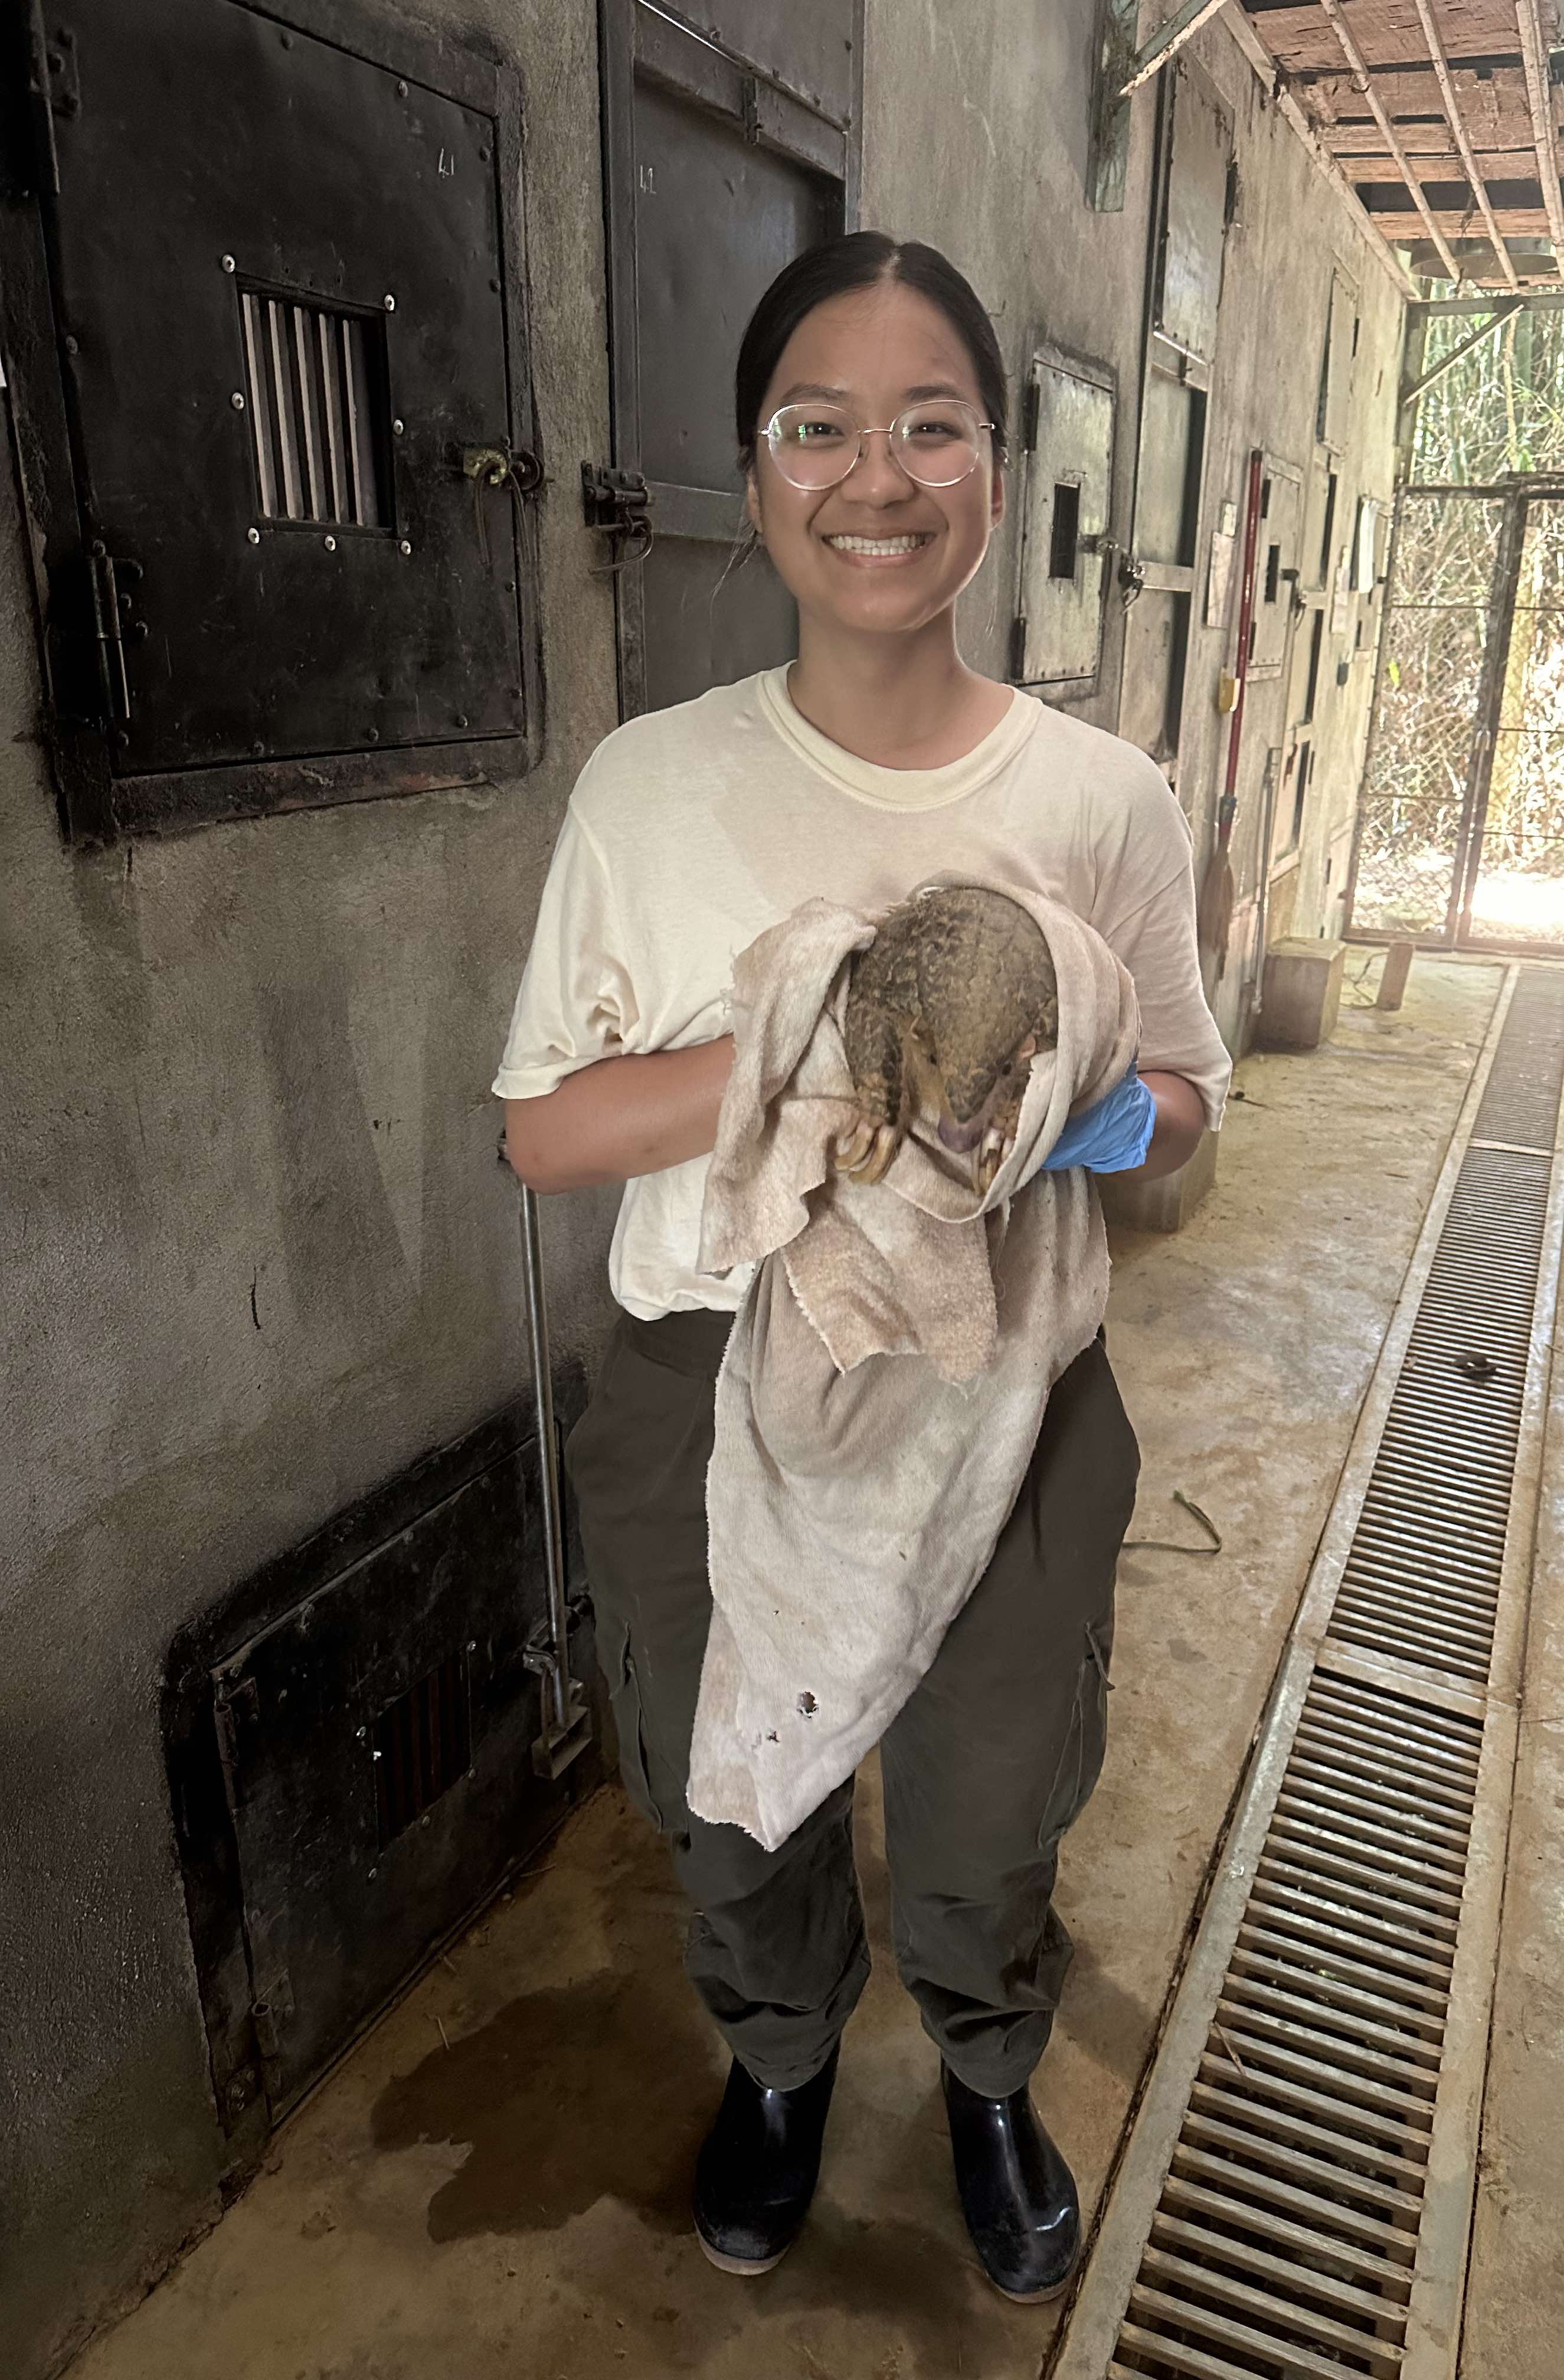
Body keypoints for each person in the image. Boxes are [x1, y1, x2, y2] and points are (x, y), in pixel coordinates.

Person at [496, 231, 1231, 2302]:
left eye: (932, 427)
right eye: (820, 427)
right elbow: (538, 1129)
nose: (876, 477)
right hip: (704, 1377)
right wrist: (799, 1059)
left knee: (996, 1797)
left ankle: (988, 2077)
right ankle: (784, 2065)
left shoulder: (1103, 800)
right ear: (758, 475)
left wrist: (1082, 1110)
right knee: (738, 1793)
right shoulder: (650, 784)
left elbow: (1188, 1103)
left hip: (1003, 1379)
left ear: (995, 474)